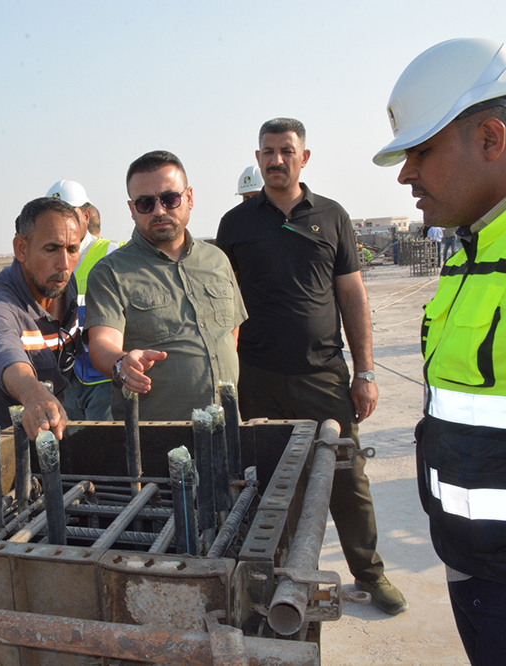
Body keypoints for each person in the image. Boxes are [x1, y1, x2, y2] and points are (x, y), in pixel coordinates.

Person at [375, 38, 506, 664]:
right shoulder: (477, 243)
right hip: (478, 565)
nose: (406, 174)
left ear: (489, 138)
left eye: (421, 152)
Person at [216, 118, 406, 615]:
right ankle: (270, 578)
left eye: (285, 150)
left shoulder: (332, 216)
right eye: (267, 152)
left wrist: (363, 372)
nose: (276, 160)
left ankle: (371, 573)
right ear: (257, 159)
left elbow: (351, 295)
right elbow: (225, 303)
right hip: (256, 376)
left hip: (323, 375)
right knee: (267, 484)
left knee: (347, 479)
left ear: (304, 157)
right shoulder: (236, 225)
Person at [85, 150, 246, 420]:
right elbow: (102, 343)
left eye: (170, 199)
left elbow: (232, 335)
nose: (159, 210)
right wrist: (122, 364)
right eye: (145, 203)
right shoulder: (110, 272)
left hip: (227, 427)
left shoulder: (217, 260)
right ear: (131, 209)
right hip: (157, 438)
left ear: (189, 198)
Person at [0, 197, 81, 441]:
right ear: (21, 248)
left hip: (48, 431)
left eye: (72, 249)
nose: (64, 264)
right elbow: (1, 346)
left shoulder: (65, 287)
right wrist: (33, 393)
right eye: (51, 249)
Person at [46, 180, 121, 421]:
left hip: (103, 379)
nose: (60, 222)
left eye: (68, 213)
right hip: (64, 379)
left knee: (105, 449)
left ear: (86, 215)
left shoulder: (113, 253)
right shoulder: (45, 262)